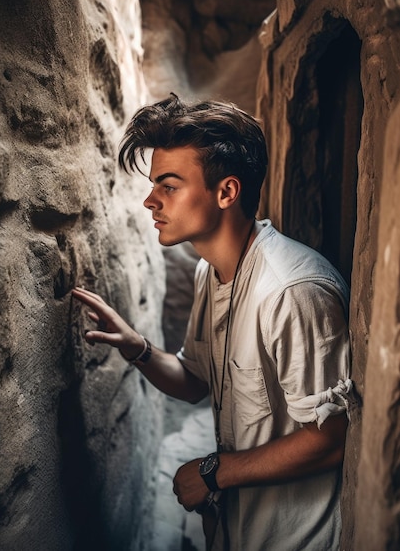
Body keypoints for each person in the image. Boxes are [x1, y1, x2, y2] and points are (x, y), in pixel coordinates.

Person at [72, 94, 353, 551]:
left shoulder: (290, 291)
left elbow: (332, 438)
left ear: (226, 192)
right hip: (235, 532)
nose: (150, 200)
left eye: (169, 185)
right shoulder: (210, 271)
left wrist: (214, 472)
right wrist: (137, 348)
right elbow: (195, 381)